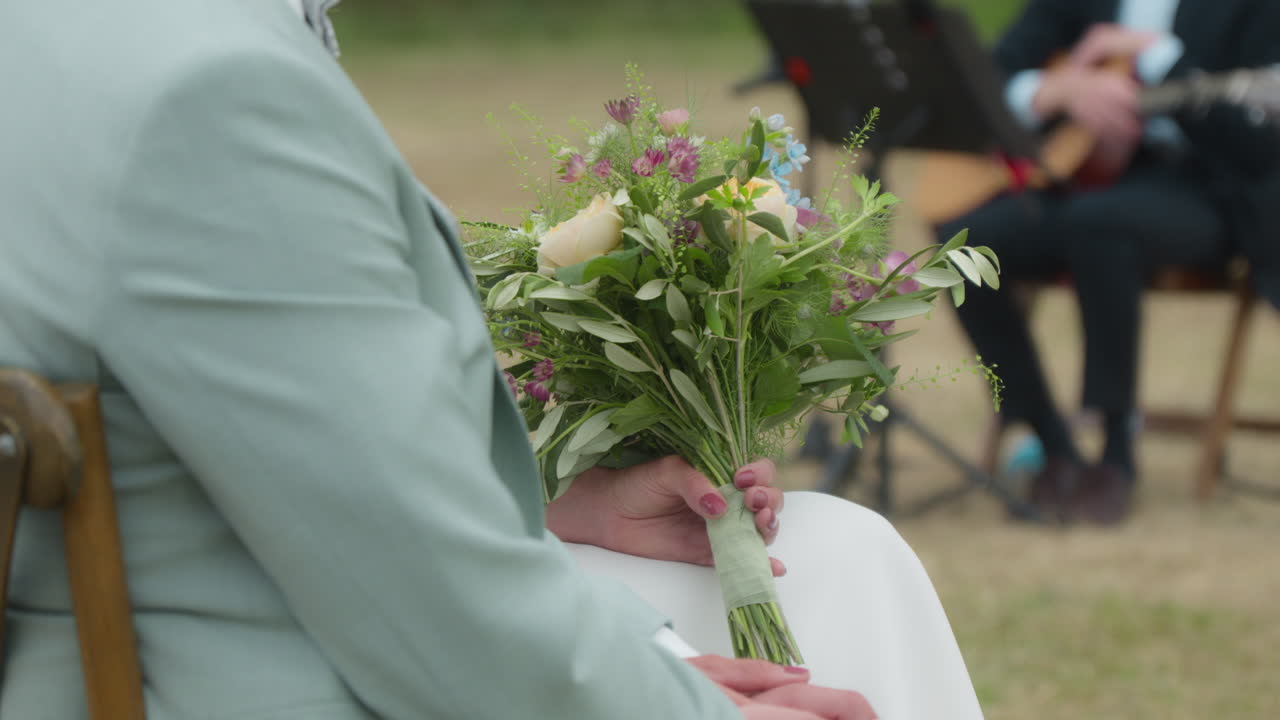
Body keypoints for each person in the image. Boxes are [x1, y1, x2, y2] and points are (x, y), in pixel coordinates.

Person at [0, 1, 984, 718]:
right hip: (252, 672)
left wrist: (556, 504)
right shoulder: (209, 93)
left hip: (217, 599)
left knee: (827, 550)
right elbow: (432, 618)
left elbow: (244, 435)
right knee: (837, 582)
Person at [939, 0, 1280, 525]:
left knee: (1102, 226)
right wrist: (1054, 91)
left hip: (1212, 188)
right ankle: (1052, 445)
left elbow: (1260, 138)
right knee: (963, 242)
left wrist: (1158, 58)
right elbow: (988, 73)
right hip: (1082, 179)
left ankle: (1116, 457)